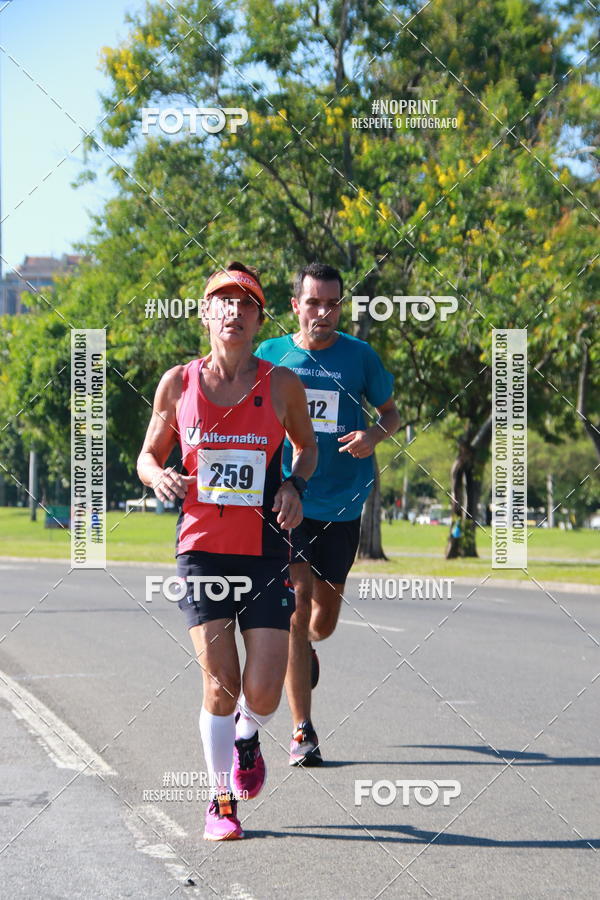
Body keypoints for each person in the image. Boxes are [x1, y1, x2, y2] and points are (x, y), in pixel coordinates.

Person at [137, 262, 317, 840]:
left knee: (262, 690)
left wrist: (294, 485)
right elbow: (146, 455)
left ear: (260, 318)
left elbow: (306, 449)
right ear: (206, 314)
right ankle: (220, 802)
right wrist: (157, 476)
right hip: (202, 551)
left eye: (246, 303)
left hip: (264, 546)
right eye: (222, 302)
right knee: (220, 681)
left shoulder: (281, 384)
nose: (233, 311)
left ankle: (248, 733)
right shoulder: (178, 383)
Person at [255, 262, 400, 765]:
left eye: (333, 303)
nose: (324, 312)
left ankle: (310, 649)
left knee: (323, 621)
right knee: (296, 610)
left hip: (343, 503)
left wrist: (372, 436)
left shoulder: (360, 358)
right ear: (295, 305)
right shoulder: (270, 355)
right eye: (314, 302)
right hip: (291, 499)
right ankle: (303, 731)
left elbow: (392, 414)